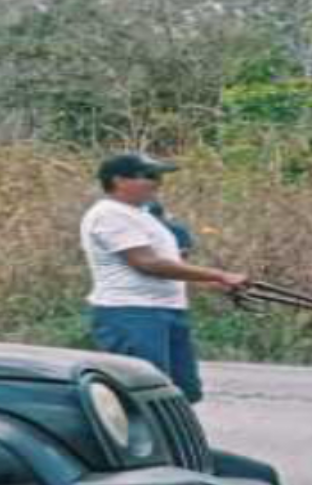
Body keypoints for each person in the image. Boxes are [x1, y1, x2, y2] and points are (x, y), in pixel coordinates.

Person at [81, 151, 248, 404]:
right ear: (119, 181)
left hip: (166, 311)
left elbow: (171, 266)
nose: (157, 182)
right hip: (132, 314)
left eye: (159, 176)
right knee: (144, 396)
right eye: (148, 176)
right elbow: (146, 263)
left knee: (182, 392)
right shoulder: (110, 214)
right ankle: (140, 444)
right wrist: (220, 273)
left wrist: (212, 283)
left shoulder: (143, 215)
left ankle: (175, 444)